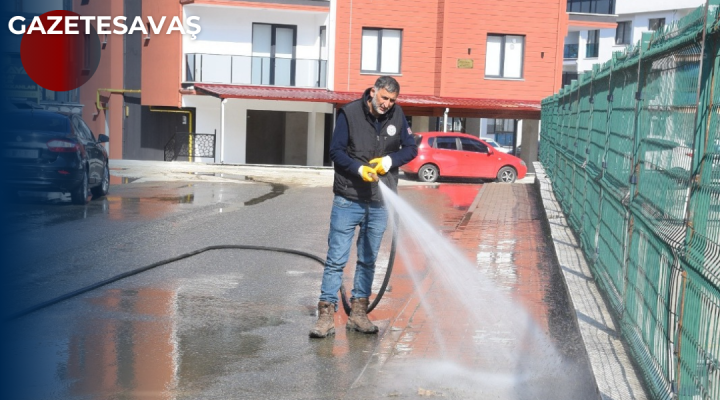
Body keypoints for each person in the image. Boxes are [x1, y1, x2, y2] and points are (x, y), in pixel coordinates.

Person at [309, 76, 418, 338]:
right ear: (373, 92)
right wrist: (359, 169)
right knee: (336, 259)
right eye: (384, 98)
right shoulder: (349, 114)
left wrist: (389, 161)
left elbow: (411, 149)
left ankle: (358, 313)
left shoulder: (397, 115)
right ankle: (326, 314)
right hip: (348, 198)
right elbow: (336, 152)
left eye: (392, 100)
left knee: (368, 260)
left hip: (379, 203)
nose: (388, 104)